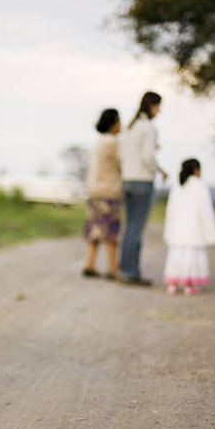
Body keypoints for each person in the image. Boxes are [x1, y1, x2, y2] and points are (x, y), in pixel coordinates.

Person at [118, 91, 169, 285]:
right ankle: (131, 272)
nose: (159, 111)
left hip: (127, 179)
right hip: (142, 180)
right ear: (152, 106)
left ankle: (125, 269)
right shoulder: (149, 128)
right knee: (136, 228)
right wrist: (160, 171)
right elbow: (148, 157)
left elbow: (124, 154)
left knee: (129, 226)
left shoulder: (131, 127)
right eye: (158, 106)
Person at [163, 159, 215, 295]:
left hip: (177, 230)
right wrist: (209, 232)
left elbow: (170, 209)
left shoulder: (177, 187)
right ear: (196, 170)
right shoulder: (200, 186)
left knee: (177, 256)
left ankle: (173, 284)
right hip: (194, 231)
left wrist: (169, 229)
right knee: (191, 257)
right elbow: (206, 211)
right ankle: (189, 286)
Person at [82, 108, 122, 279]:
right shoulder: (113, 143)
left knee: (95, 229)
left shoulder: (98, 142)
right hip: (109, 191)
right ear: (113, 123)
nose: (121, 125)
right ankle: (113, 268)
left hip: (94, 191)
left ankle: (89, 263)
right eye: (119, 121)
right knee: (110, 231)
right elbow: (122, 164)